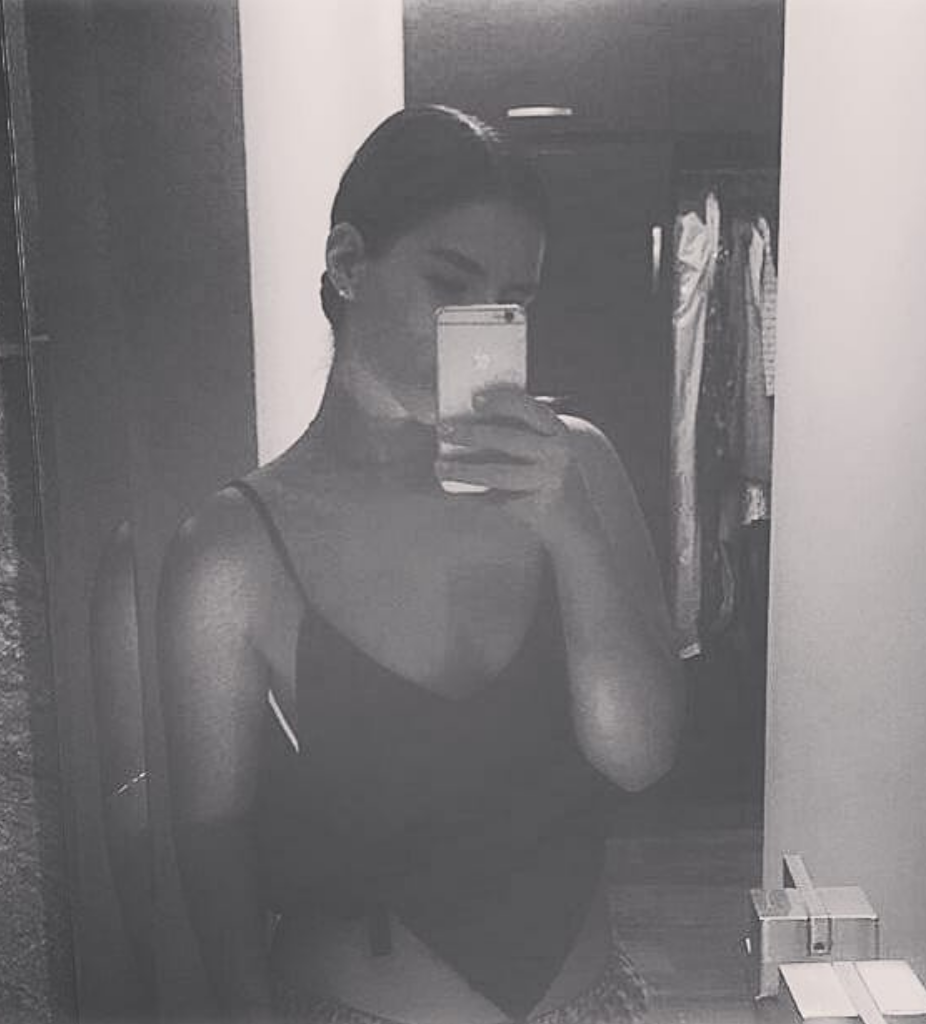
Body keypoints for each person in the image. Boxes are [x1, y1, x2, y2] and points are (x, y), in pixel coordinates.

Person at [157, 105, 686, 1024]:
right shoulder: (234, 549)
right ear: (348, 261)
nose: (480, 322)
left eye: (511, 299)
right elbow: (212, 845)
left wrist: (571, 533)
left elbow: (640, 758)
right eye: (451, 282)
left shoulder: (579, 471)